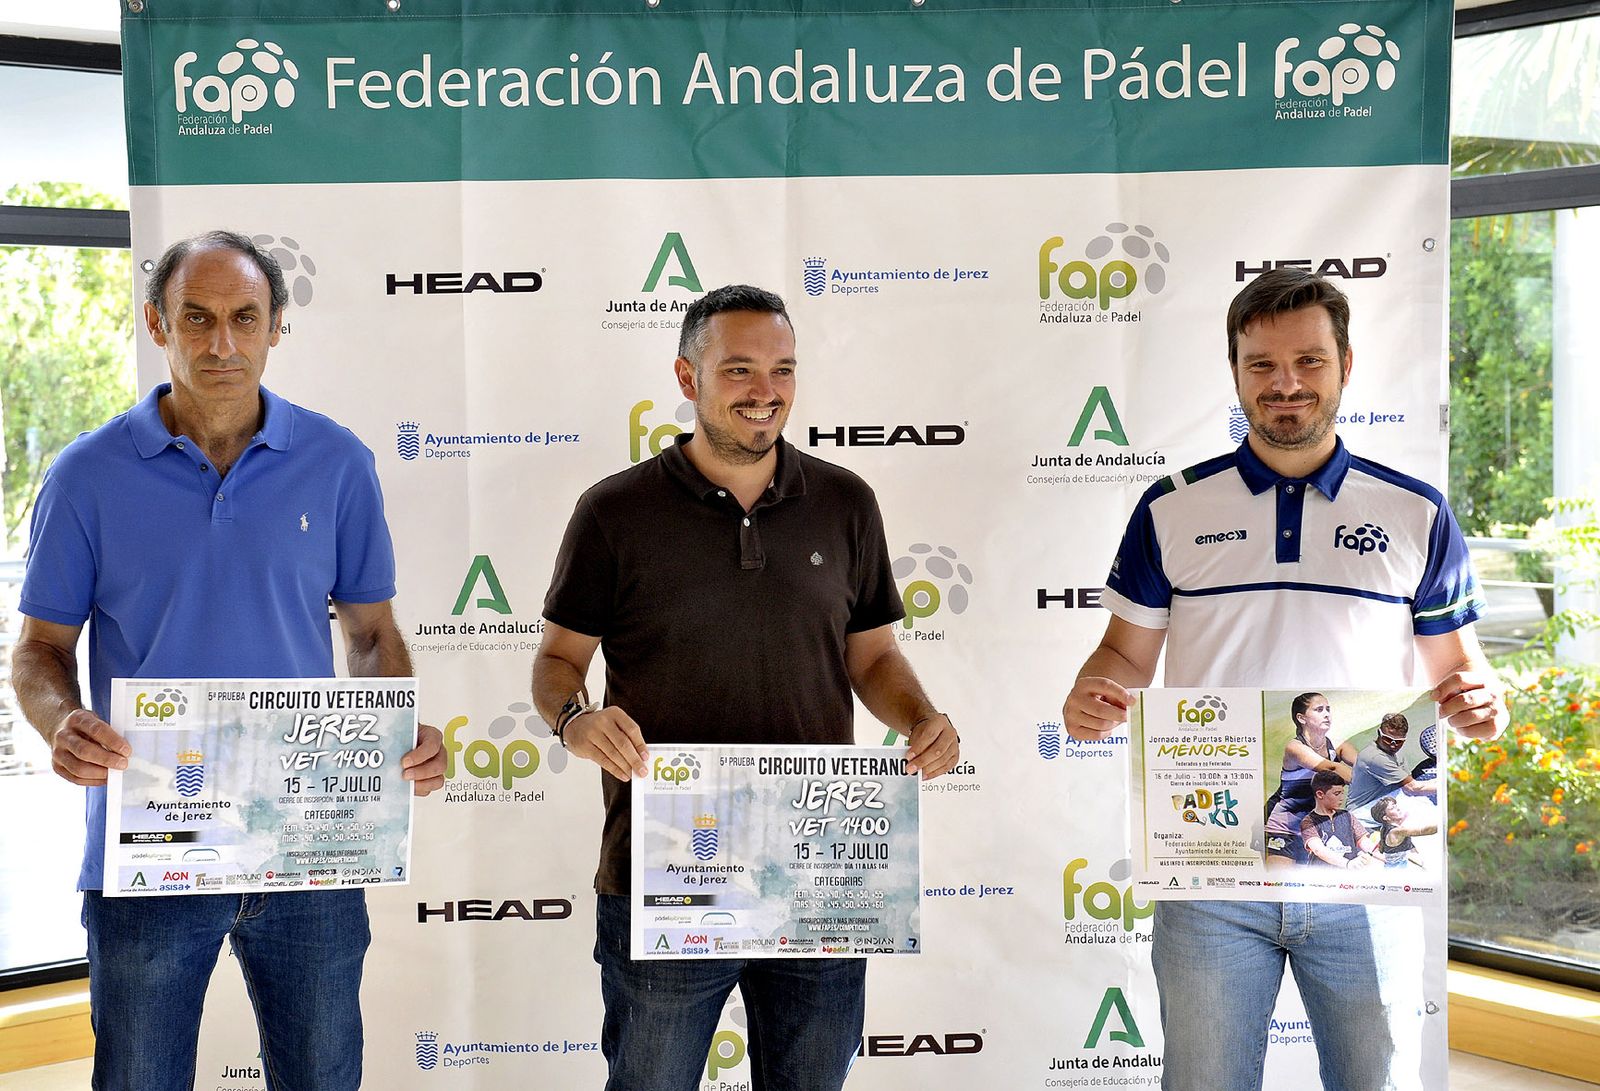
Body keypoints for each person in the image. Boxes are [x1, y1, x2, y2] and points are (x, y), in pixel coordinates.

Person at [11, 230, 445, 1091]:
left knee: (323, 1078)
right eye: (197, 318)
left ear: (276, 326)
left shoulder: (337, 462)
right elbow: (39, 649)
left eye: (245, 317)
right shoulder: (86, 475)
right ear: (157, 324)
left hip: (308, 846)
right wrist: (61, 721)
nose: (222, 343)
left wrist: (394, 728)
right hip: (149, 850)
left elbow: (369, 633)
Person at [1061, 267, 1507, 1091]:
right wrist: (1095, 689)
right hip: (1211, 864)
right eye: (1261, 364)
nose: (1286, 383)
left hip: (1366, 863)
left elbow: (1458, 670)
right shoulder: (1171, 507)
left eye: (1309, 360)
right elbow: (1122, 654)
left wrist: (1483, 702)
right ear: (1235, 371)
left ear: (1346, 364)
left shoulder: (1416, 510)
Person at [531, 284, 959, 1091]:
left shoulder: (846, 502)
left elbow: (872, 655)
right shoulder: (613, 512)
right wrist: (576, 721)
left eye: (783, 369)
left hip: (818, 868)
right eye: (739, 369)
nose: (766, 390)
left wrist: (921, 716)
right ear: (687, 377)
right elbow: (558, 660)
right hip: (665, 869)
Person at [1264, 692, 1358, 867]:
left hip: (1315, 829)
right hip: (1285, 826)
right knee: (1278, 882)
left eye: (1328, 709)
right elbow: (1332, 768)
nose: (1326, 714)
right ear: (1301, 718)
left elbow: (1363, 767)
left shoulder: (1337, 745)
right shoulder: (1294, 747)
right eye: (1319, 710)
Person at [1347, 712, 1436, 814]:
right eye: (1387, 739)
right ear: (1379, 733)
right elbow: (1412, 789)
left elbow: (1408, 786)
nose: (1393, 745)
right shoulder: (1375, 758)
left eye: (1398, 741)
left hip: (1388, 803)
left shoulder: (1396, 752)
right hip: (1363, 814)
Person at [1300, 770, 1379, 869]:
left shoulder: (1347, 816)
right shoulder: (1308, 822)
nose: (1342, 798)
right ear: (1320, 794)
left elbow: (1363, 841)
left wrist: (1379, 854)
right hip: (1321, 876)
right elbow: (1319, 850)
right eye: (1337, 794)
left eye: (1342, 793)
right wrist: (1348, 864)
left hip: (1348, 875)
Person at [1370, 796, 1438, 869]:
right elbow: (1424, 831)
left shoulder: (1384, 828)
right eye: (1392, 808)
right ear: (1386, 818)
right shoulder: (1396, 832)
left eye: (1396, 806)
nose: (1398, 809)